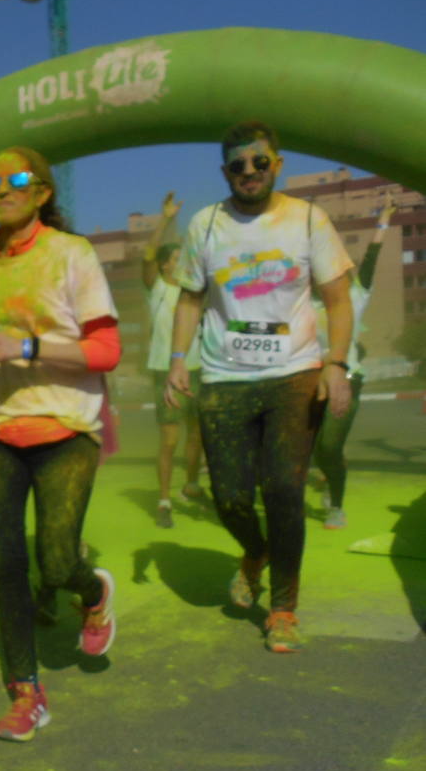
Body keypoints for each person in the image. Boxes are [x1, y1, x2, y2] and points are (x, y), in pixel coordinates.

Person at [0, 146, 121, 742]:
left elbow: (106, 351)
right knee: (6, 566)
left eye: (16, 180)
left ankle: (92, 592)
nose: (1, 190)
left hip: (66, 427)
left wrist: (29, 349)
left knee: (59, 561)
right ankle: (26, 692)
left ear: (42, 192)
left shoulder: (73, 254)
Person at [166, 120, 353, 654]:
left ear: (277, 163)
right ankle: (255, 552)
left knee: (285, 488)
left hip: (294, 372)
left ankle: (284, 607)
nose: (249, 172)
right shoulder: (205, 224)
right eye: (237, 165)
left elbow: (337, 299)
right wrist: (179, 359)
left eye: (259, 162)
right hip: (225, 376)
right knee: (228, 497)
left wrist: (335, 365)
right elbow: (189, 298)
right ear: (225, 171)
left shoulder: (309, 219)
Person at [314, 195, 396, 529]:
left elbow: (371, 259)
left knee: (329, 447)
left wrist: (384, 220)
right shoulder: (308, 305)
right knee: (315, 449)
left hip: (347, 381)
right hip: (309, 382)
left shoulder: (356, 297)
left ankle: (337, 506)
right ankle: (330, 478)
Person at [142, 192, 204, 528]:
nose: (181, 261)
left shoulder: (192, 291)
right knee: (169, 440)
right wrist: (165, 218)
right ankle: (164, 500)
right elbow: (150, 253)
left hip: (197, 370)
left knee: (197, 434)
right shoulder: (157, 288)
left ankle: (191, 486)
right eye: (175, 257)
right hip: (166, 372)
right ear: (165, 264)